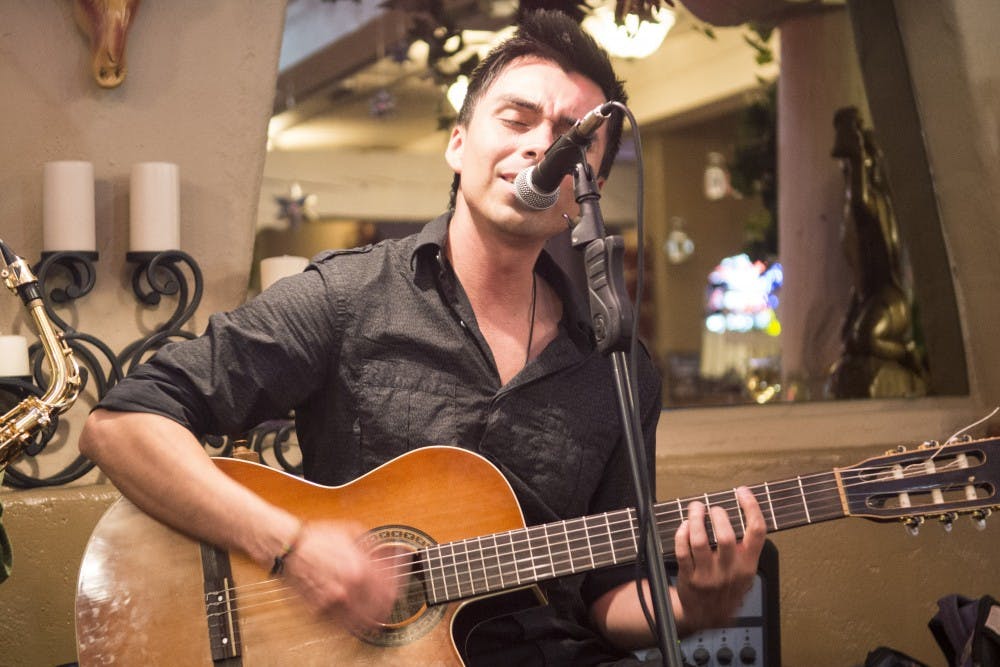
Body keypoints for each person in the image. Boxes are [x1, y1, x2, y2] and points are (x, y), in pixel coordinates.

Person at [79, 10, 765, 666]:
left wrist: (691, 605)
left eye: (571, 138)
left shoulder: (618, 368)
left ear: (591, 184)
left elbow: (606, 595)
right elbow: (121, 425)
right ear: (458, 143)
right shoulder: (348, 298)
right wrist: (289, 544)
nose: (542, 147)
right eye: (518, 118)